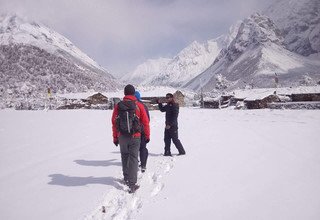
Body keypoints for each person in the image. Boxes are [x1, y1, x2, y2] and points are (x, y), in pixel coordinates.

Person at [111, 84, 150, 193]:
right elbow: (145, 122)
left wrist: (115, 137)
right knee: (133, 158)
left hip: (122, 136)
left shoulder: (118, 106)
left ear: (124, 93)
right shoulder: (139, 105)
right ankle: (132, 184)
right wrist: (147, 135)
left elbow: (114, 122)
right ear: (133, 93)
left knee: (124, 156)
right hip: (135, 136)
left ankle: (126, 177)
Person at [134, 91, 150, 173]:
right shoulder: (143, 106)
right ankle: (143, 165)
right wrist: (147, 134)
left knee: (133, 148)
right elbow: (147, 120)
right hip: (142, 130)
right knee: (143, 148)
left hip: (132, 132)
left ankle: (134, 164)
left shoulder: (130, 106)